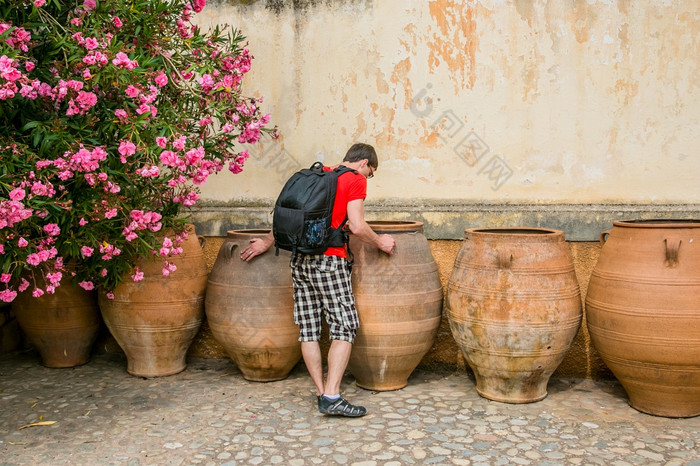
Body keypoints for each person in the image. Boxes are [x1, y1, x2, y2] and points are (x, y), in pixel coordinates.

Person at [240, 143, 395, 417]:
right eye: (371, 172)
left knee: (309, 329)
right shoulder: (354, 179)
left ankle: (322, 392)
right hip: (330, 260)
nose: (368, 177)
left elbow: (293, 219)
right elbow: (357, 226)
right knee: (344, 326)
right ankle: (333, 396)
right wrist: (380, 242)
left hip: (300, 260)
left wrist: (266, 242)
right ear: (364, 164)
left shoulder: (319, 174)